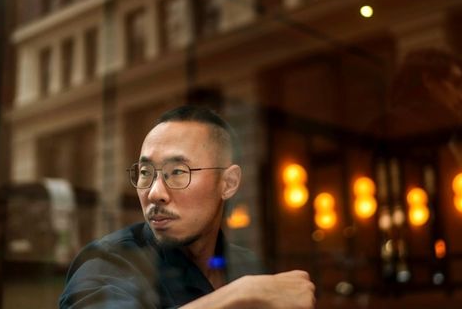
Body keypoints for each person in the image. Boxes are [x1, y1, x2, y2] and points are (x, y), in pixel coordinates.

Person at [59, 105, 316, 308]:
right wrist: (240, 295)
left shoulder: (245, 264)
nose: (155, 193)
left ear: (228, 183)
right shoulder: (109, 262)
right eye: (146, 172)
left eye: (178, 171)